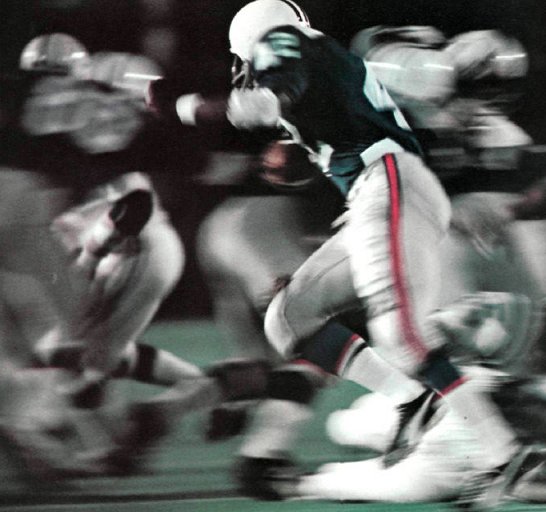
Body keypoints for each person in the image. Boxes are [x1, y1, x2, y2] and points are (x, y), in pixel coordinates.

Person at [146, 1, 543, 507]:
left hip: (389, 184)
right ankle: (412, 401)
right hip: (374, 194)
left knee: (401, 336)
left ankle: (505, 456)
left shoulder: (285, 42)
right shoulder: (319, 65)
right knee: (288, 318)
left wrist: (181, 108)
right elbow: (314, 119)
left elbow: (262, 105)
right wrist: (303, 150)